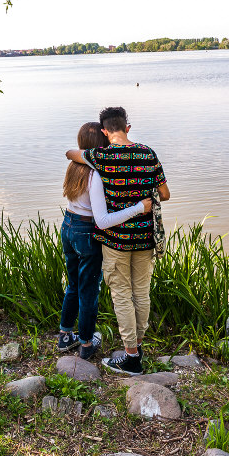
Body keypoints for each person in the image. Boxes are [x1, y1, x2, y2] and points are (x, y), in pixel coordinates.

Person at [65, 106, 170, 376]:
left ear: (104, 131)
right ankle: (138, 345)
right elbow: (165, 194)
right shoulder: (148, 153)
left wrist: (86, 157)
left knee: (121, 294)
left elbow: (70, 153)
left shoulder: (100, 157)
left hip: (116, 240)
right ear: (128, 127)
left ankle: (131, 356)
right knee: (141, 292)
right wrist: (141, 199)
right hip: (145, 237)